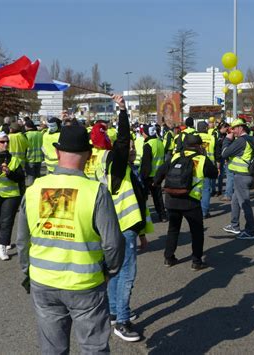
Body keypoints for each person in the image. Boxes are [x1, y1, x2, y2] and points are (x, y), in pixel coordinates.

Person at [16, 124, 124, 354]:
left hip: (43, 281)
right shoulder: (95, 191)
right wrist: (110, 271)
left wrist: (28, 272)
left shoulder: (35, 188)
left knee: (52, 349)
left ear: (57, 152)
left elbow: (22, 241)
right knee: (93, 347)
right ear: (88, 155)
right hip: (85, 283)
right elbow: (113, 243)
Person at [96, 95, 148, 341]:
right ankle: (122, 321)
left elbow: (137, 202)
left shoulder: (111, 165)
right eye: (128, 147)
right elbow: (124, 137)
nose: (131, 148)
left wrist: (143, 232)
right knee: (126, 274)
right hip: (121, 227)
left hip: (121, 226)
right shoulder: (116, 166)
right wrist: (123, 109)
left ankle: (115, 311)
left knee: (116, 272)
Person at [154, 134, 218, 269]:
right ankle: (196, 261)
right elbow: (213, 174)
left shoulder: (176, 156)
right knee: (197, 232)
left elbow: (160, 172)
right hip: (191, 201)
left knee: (173, 229)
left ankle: (169, 258)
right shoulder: (201, 159)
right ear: (198, 146)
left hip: (172, 199)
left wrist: (156, 184)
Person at [222, 119, 254, 240]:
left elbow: (224, 153)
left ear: (241, 128)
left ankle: (250, 231)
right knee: (235, 201)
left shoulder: (241, 141)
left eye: (234, 128)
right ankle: (234, 225)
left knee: (245, 204)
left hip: (242, 176)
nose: (233, 131)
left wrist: (227, 139)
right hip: (247, 175)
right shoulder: (251, 139)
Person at [0, 132, 24, 260]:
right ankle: (3, 240)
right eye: (2, 142)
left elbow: (21, 178)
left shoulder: (14, 159)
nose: (5, 144)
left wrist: (9, 173)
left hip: (11, 195)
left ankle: (2, 248)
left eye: (7, 142)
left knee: (6, 222)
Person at [140, 124, 167, 222]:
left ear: (147, 133)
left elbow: (146, 163)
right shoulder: (159, 142)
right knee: (158, 197)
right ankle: (162, 215)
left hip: (149, 175)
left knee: (143, 197)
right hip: (159, 174)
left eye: (143, 132)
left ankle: (143, 217)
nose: (142, 134)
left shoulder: (148, 144)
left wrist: (143, 176)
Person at [197, 121, 218, 218]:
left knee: (196, 188)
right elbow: (217, 152)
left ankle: (196, 210)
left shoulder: (194, 137)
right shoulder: (212, 138)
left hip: (196, 164)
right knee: (206, 189)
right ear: (206, 128)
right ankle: (204, 212)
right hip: (208, 165)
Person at [24, 120, 44, 186]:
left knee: (30, 178)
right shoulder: (40, 134)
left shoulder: (26, 135)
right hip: (39, 159)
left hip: (29, 159)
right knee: (38, 177)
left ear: (26, 126)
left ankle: (30, 193)